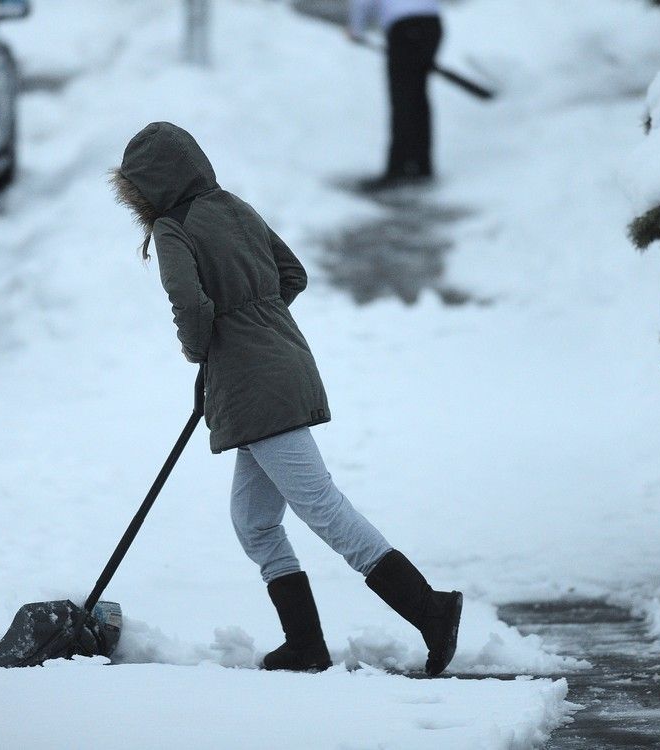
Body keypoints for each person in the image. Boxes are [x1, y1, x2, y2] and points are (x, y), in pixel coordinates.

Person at [111, 122, 462, 675]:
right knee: (254, 521)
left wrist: (205, 351)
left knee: (321, 506)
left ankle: (431, 610)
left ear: (145, 186)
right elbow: (291, 273)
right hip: (281, 367)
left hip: (255, 386)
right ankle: (305, 644)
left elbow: (191, 306)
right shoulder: (233, 206)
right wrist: (259, 323)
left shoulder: (171, 228)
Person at [348, 0, 443, 189]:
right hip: (433, 24)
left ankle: (398, 168)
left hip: (404, 27)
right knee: (418, 96)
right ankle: (422, 166)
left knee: (403, 98)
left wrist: (356, 30)